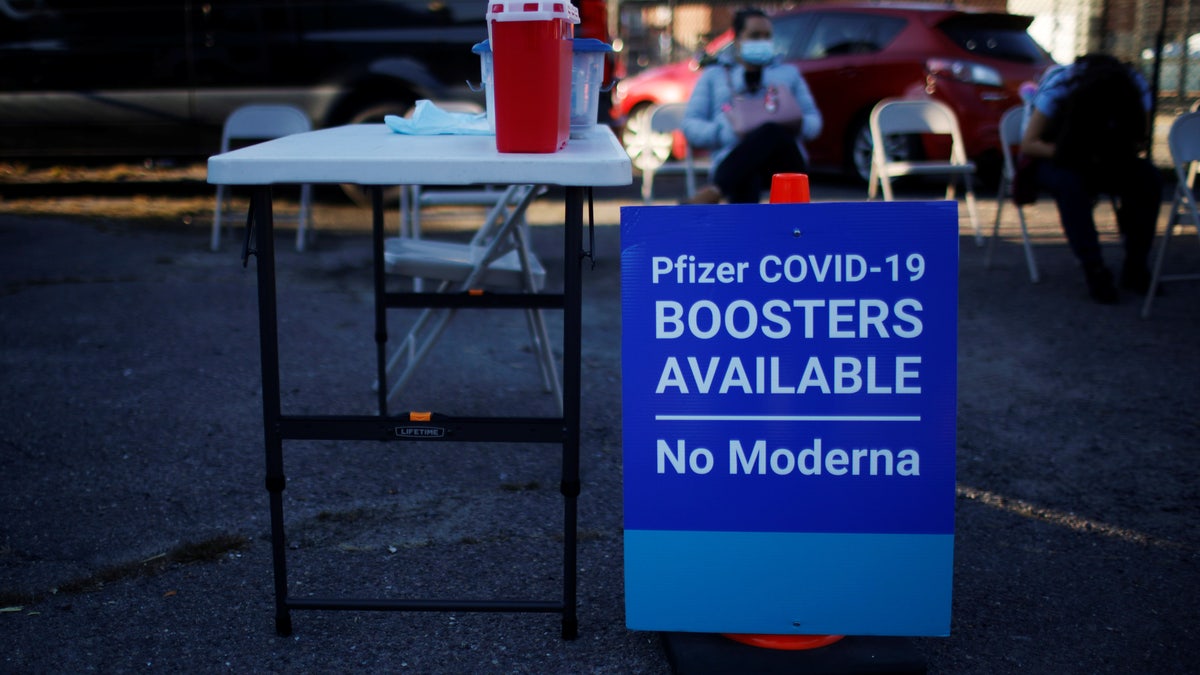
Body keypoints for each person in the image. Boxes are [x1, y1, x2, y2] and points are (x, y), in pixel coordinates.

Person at [1019, 53, 1161, 304]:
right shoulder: (1061, 85)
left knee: (1147, 178)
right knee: (1070, 183)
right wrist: (1077, 153)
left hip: (1108, 159)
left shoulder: (1134, 86)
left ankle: (1136, 265)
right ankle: (1093, 268)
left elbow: (1140, 139)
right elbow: (1029, 145)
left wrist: (1109, 150)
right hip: (1059, 157)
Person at [681, 7, 822, 204]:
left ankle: (715, 190)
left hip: (784, 160)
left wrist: (792, 121)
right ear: (737, 40)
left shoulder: (788, 74)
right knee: (747, 176)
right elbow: (690, 125)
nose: (762, 42)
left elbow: (814, 122)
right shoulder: (715, 76)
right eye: (755, 35)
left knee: (771, 131)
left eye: (767, 36)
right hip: (732, 157)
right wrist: (724, 131)